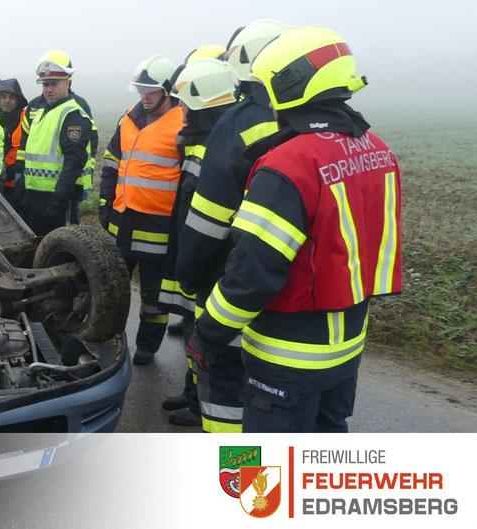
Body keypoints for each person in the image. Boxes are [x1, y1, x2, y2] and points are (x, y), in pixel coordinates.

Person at [188, 27, 402, 433]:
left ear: (290, 87)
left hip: (285, 359)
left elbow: (251, 275)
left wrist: (206, 333)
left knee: (264, 488)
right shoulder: (378, 151)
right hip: (346, 351)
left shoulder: (288, 164)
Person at [172, 19, 290, 431]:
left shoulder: (235, 126)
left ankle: (234, 484)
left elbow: (206, 225)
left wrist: (186, 276)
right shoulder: (315, 124)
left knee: (223, 391)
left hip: (228, 279)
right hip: (289, 290)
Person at [162, 57, 238, 428]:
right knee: (194, 331)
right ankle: (193, 394)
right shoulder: (202, 140)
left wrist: (189, 266)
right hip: (197, 252)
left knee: (206, 339)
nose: (180, 110)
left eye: (185, 104)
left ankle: (201, 404)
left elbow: (210, 218)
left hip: (211, 262)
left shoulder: (219, 147)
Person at [98, 55, 181, 365]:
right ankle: (109, 339)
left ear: (168, 90)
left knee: (154, 296)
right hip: (122, 221)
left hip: (159, 226)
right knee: (114, 289)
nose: (144, 96)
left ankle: (147, 346)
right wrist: (106, 204)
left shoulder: (184, 123)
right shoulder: (127, 119)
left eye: (151, 90)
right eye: (141, 90)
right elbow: (110, 163)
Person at [17, 50, 94, 236]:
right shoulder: (41, 112)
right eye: (45, 84)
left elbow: (73, 163)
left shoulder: (72, 115)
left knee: (61, 254)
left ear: (67, 83)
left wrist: (59, 201)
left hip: (59, 200)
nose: (48, 89)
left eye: (53, 84)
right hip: (36, 196)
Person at [0, 79, 28, 205]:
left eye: (12, 97)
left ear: (18, 100)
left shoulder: (27, 118)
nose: (7, 101)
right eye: (3, 97)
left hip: (18, 185)